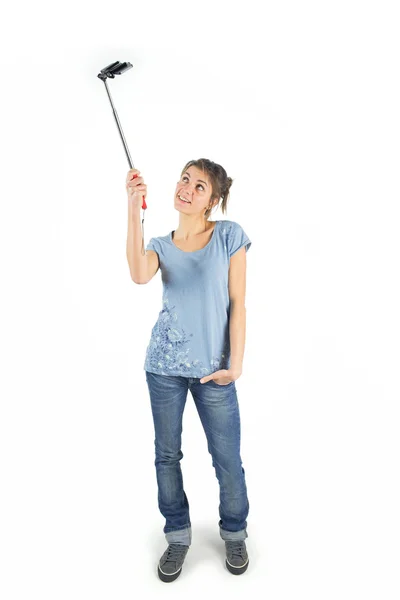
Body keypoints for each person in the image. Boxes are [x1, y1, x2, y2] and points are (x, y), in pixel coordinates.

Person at [126, 158, 251, 582]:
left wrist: (234, 365)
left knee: (227, 457)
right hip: (163, 368)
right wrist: (133, 207)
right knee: (167, 455)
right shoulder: (161, 244)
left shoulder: (228, 236)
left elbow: (238, 305)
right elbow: (139, 275)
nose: (187, 188)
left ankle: (234, 530)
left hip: (214, 372)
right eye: (184, 178)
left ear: (212, 200)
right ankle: (177, 535)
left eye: (199, 186)